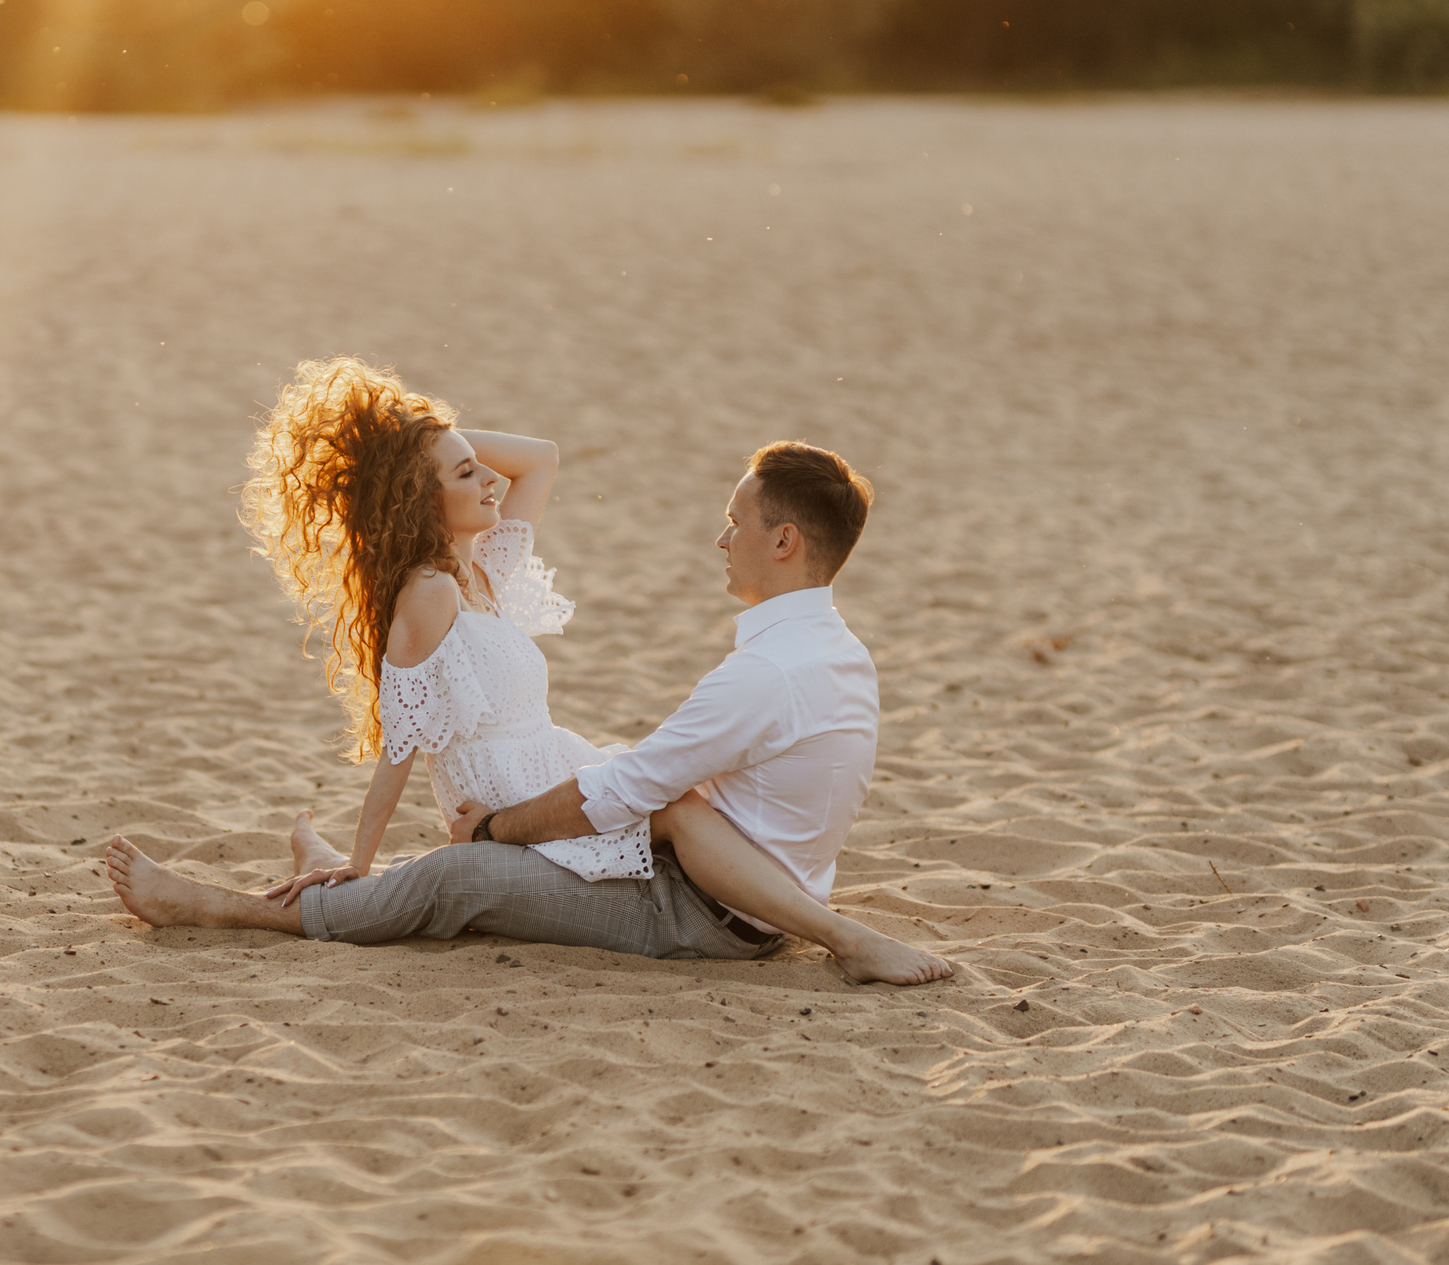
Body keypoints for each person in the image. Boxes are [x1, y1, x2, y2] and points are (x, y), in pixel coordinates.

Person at [104, 358, 948, 985]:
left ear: (785, 542)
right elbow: (418, 747)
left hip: (699, 905)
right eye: (464, 472)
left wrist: (490, 827)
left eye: (735, 521)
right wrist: (418, 440)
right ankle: (341, 880)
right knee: (632, 806)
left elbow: (631, 791)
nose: (719, 539)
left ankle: (227, 905)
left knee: (459, 874)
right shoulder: (832, 651)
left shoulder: (759, 673)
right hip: (689, 863)